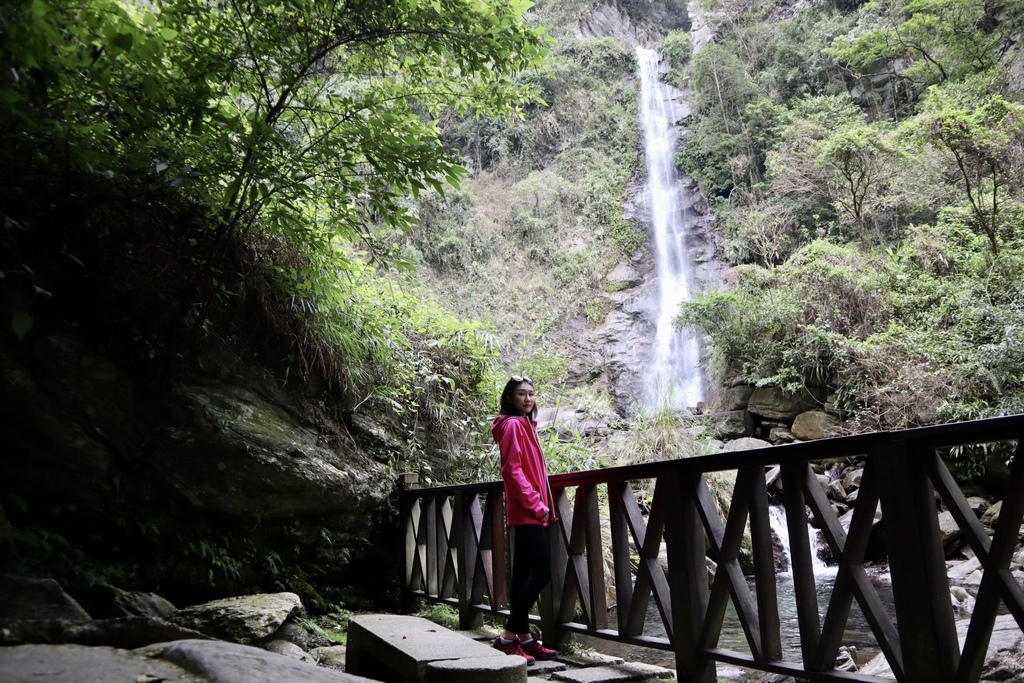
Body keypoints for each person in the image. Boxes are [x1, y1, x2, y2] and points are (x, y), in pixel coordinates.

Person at [490, 375, 559, 664]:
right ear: (509, 398)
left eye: (531, 394)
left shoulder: (526, 425)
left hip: (530, 510)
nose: (527, 399)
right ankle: (507, 639)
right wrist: (537, 503)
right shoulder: (514, 425)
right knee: (542, 573)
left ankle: (526, 638)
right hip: (529, 510)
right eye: (521, 394)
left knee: (521, 577)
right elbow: (512, 470)